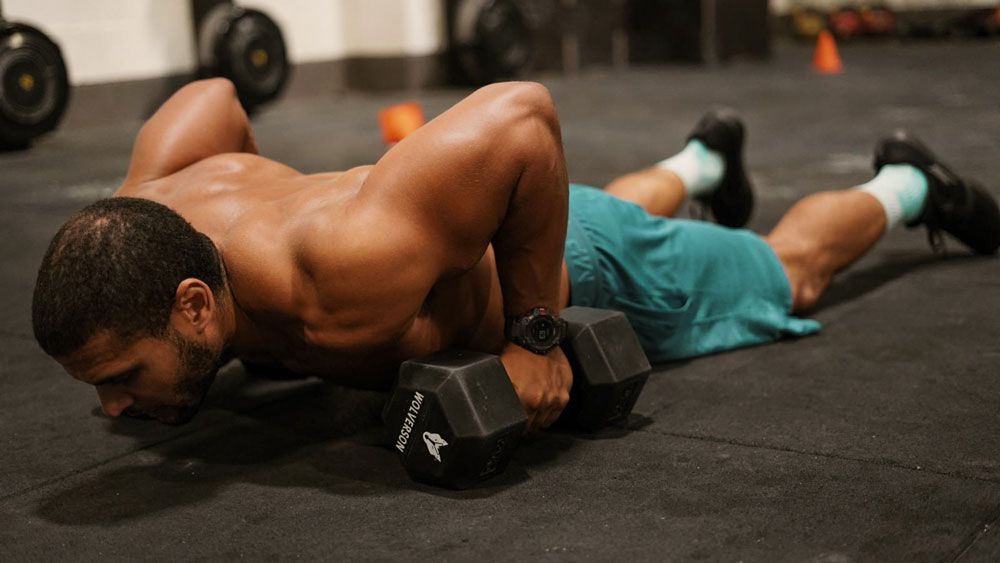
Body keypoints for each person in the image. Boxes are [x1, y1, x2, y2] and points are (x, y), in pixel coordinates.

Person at [31, 79, 1000, 430]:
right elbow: (208, 97)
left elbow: (522, 117)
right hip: (479, 224)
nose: (114, 404)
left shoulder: (345, 266)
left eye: (121, 375)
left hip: (572, 253)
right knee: (607, 208)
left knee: (785, 270)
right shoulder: (141, 218)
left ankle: (909, 183)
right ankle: (703, 157)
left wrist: (537, 334)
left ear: (196, 304)